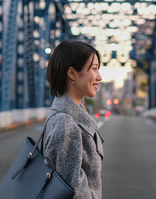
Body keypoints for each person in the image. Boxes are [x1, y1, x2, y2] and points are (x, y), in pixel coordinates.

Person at [43, 40, 104, 199]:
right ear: (72, 73)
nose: (99, 77)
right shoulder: (66, 123)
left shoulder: (67, 116)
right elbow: (74, 191)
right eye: (94, 69)